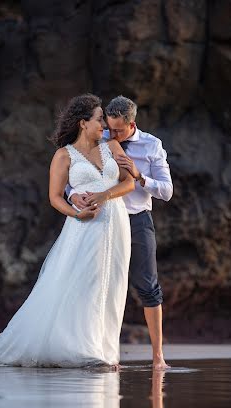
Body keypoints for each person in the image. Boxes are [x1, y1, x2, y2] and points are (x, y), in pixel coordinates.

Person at [0, 94, 135, 367]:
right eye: (99, 119)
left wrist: (104, 196)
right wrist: (77, 212)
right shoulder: (64, 156)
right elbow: (55, 197)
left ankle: (105, 348)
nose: (105, 124)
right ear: (83, 123)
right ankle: (84, 349)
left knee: (113, 283)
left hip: (117, 222)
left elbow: (129, 184)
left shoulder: (112, 146)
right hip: (85, 226)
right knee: (82, 283)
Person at [69, 96, 173, 370]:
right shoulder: (98, 137)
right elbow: (74, 173)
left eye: (117, 131)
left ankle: (158, 357)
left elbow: (167, 191)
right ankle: (99, 351)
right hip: (100, 221)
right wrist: (73, 196)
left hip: (137, 220)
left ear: (132, 124)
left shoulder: (152, 145)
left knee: (148, 287)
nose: (110, 134)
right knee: (97, 285)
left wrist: (139, 177)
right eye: (108, 128)